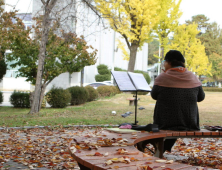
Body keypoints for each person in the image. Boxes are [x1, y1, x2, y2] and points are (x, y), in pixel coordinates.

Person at [138, 50, 205, 153]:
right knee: (178, 117)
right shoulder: (192, 76)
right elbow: (201, 97)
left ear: (168, 62)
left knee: (171, 118)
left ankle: (160, 148)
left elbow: (154, 96)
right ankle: (163, 148)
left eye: (164, 61)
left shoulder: (162, 77)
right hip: (189, 124)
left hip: (165, 124)